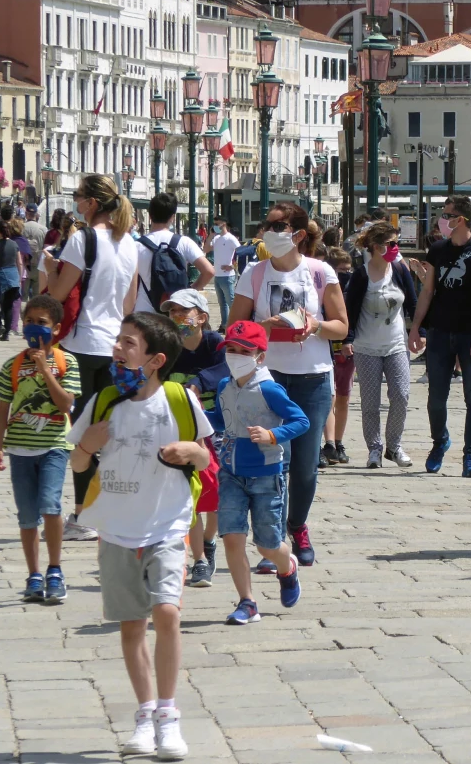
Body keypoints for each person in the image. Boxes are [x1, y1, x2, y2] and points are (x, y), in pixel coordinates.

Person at [68, 312, 211, 760]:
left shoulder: (180, 399)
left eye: (128, 343)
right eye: (118, 341)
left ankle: (169, 716)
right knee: (132, 626)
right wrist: (88, 443)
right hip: (116, 530)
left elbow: (206, 457)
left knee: (166, 613)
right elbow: (75, 465)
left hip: (167, 525)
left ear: (155, 359)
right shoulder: (103, 401)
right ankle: (145, 714)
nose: (117, 349)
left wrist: (192, 451)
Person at [227, 202, 349, 569]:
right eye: (267, 224)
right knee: (274, 459)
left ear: (297, 234)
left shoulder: (320, 271)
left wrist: (313, 326)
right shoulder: (254, 272)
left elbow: (341, 327)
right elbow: (234, 326)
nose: (269, 231)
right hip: (267, 377)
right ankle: (275, 539)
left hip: (312, 375)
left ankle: (298, 525)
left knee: (307, 464)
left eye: (278, 226)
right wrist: (263, 328)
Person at [46, 174, 139, 542]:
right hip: (114, 347)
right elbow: (129, 304)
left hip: (81, 345)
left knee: (83, 436)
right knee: (112, 433)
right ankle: (117, 509)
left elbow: (57, 293)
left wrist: (49, 268)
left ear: (92, 204)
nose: (76, 202)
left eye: (79, 197)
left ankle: (84, 515)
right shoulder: (130, 243)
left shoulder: (81, 240)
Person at [205, 321, 309, 625]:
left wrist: (272, 435)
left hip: (266, 474)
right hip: (230, 473)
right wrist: (197, 413)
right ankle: (247, 602)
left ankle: (287, 566)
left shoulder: (269, 388)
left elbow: (301, 421)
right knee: (232, 538)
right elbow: (222, 421)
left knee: (266, 544)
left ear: (260, 356)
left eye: (243, 351)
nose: (235, 356)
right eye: (231, 350)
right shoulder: (225, 386)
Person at [0, 295, 81, 604]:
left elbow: (66, 403)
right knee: (27, 516)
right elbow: (3, 407)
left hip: (54, 444)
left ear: (55, 329)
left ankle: (55, 569)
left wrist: (44, 369)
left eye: (41, 323)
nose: (33, 328)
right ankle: (33, 574)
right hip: (20, 448)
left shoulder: (67, 363)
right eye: (29, 321)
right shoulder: (12, 365)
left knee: (49, 505)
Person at [408, 195, 471, 477]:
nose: (442, 219)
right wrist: (415, 326)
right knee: (436, 397)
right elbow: (427, 291)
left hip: (470, 332)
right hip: (439, 331)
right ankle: (440, 441)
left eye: (447, 215)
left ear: (461, 219)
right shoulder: (438, 250)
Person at [161, 289, 227, 589]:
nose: (176, 317)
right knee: (193, 497)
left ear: (201, 317)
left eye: (182, 311)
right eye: (171, 312)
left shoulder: (215, 344)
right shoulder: (169, 347)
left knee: (216, 499)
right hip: (184, 432)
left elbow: (227, 367)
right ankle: (199, 560)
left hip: (219, 431)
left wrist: (199, 383)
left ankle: (208, 542)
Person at [344, 222, 418, 468]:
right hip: (366, 347)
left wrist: (420, 331)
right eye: (391, 244)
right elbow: (350, 310)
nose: (396, 248)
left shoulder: (399, 269)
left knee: (401, 395)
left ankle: (394, 446)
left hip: (396, 343)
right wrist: (347, 340)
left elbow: (412, 304)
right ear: (376, 247)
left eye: (397, 243)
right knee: (370, 402)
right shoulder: (361, 274)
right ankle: (374, 449)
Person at [134, 192, 213, 314]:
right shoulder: (183, 242)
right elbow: (209, 271)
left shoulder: (137, 246)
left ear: (150, 216)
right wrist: (190, 290)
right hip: (176, 311)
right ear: (172, 217)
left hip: (144, 311)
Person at [322, 248, 355, 466]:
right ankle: (327, 443)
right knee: (326, 398)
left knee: (343, 396)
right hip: (325, 348)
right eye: (341, 270)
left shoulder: (353, 289)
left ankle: (338, 442)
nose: (346, 274)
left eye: (348, 270)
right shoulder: (323, 289)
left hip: (347, 349)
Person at [0, 215, 23, 342]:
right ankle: (6, 334)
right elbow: (19, 262)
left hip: (0, 276)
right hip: (13, 276)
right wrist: (19, 277)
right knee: (8, 306)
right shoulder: (14, 244)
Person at [208, 219, 240, 330]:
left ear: (224, 224)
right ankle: (224, 324)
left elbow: (240, 253)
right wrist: (210, 236)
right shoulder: (216, 238)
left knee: (231, 301)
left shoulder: (231, 238)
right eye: (214, 224)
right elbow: (206, 248)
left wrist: (232, 266)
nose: (215, 226)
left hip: (227, 276)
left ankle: (238, 325)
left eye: (217, 224)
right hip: (218, 275)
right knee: (222, 303)